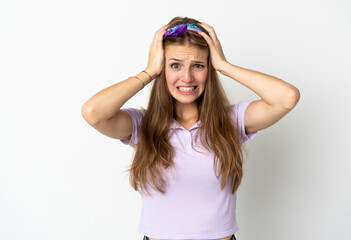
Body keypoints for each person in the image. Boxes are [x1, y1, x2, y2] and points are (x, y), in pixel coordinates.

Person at [81, 16, 300, 240]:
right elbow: (93, 113)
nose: (187, 77)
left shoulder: (231, 120)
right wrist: (149, 72)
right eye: (175, 65)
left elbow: (287, 98)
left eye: (198, 65)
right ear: (162, 68)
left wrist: (224, 66)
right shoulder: (142, 125)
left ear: (209, 68)